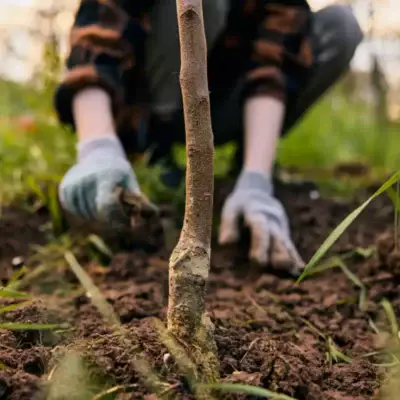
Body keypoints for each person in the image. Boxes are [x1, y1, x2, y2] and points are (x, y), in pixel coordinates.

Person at [55, 0, 363, 276]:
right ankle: (154, 149)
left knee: (341, 25)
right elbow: (98, 36)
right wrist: (97, 146)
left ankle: (247, 169)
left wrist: (256, 179)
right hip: (149, 93)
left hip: (223, 97)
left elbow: (274, 63)